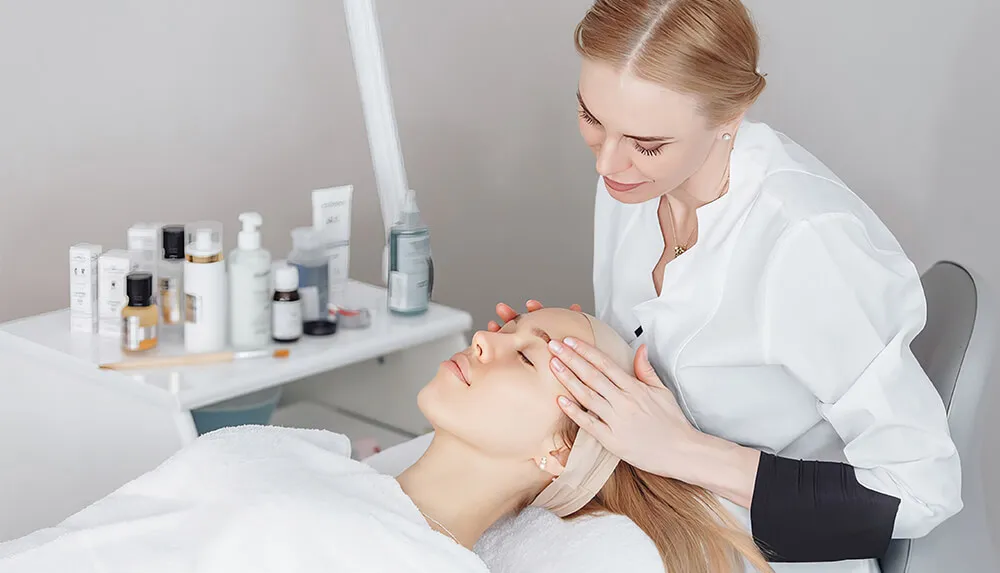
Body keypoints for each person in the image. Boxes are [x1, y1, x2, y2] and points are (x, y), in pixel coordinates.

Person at [489, 1, 961, 571]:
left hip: (762, 550)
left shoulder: (805, 246)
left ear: (730, 114)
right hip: (646, 515)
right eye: (591, 118)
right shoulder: (632, 185)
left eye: (647, 144)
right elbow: (653, 358)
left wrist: (682, 451)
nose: (607, 162)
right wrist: (558, 349)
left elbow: (920, 491)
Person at [0, 309, 770, 573]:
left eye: (529, 356)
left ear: (558, 451)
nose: (484, 340)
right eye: (506, 330)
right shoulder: (314, 452)